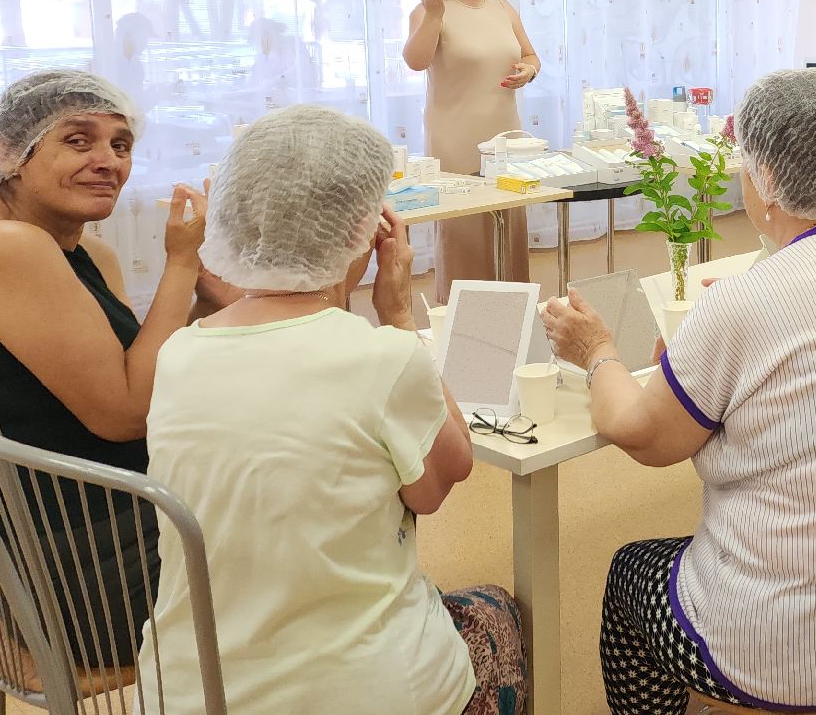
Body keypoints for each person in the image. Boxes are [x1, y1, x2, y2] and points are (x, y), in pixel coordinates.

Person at [541, 69, 816, 715]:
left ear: (768, 181)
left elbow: (638, 430)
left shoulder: (749, 305)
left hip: (798, 655)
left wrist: (595, 351)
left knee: (628, 579)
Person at [137, 105, 525, 715]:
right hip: (362, 692)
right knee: (496, 615)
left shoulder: (178, 354)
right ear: (362, 232)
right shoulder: (382, 357)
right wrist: (398, 315)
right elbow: (441, 481)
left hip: (186, 692)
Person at [0, 69, 215, 666]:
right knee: (308, 527)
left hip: (100, 519)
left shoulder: (82, 251)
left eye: (121, 144)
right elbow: (127, 414)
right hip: (86, 570)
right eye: (78, 141)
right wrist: (181, 263)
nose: (108, 161)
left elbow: (142, 369)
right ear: (7, 152)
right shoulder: (7, 247)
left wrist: (203, 292)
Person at [403, 0, 542, 299]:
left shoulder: (502, 8)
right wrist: (433, 15)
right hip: (455, 139)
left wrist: (527, 71)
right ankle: (462, 325)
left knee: (508, 231)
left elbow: (530, 55)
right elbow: (415, 62)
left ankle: (514, 317)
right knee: (463, 236)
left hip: (505, 139)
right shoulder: (430, 10)